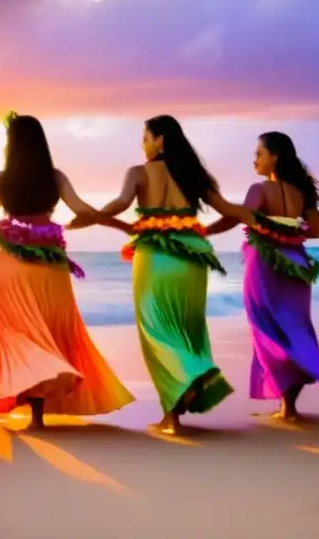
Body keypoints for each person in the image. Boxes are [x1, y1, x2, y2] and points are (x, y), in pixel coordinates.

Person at [70, 115, 254, 436]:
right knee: (187, 326)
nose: (142, 144)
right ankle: (191, 378)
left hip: (156, 254)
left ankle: (176, 408)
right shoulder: (194, 175)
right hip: (192, 254)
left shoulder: (139, 172)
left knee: (155, 330)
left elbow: (121, 203)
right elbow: (232, 212)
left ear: (160, 140)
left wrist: (92, 217)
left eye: (145, 137)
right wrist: (270, 222)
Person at [0, 112, 134, 430]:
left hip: (14, 265)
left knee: (20, 332)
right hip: (51, 265)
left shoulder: (0, 180)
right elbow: (82, 210)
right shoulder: (55, 177)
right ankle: (39, 409)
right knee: (47, 331)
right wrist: (106, 222)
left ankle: (35, 410)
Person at [206, 132, 319, 420]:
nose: (255, 160)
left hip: (266, 264)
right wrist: (291, 226)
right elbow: (316, 230)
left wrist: (206, 230)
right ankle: (289, 405)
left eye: (259, 154)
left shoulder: (260, 189)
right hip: (297, 263)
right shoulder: (303, 193)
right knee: (295, 328)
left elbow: (240, 215)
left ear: (274, 156)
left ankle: (285, 403)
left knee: (265, 327)